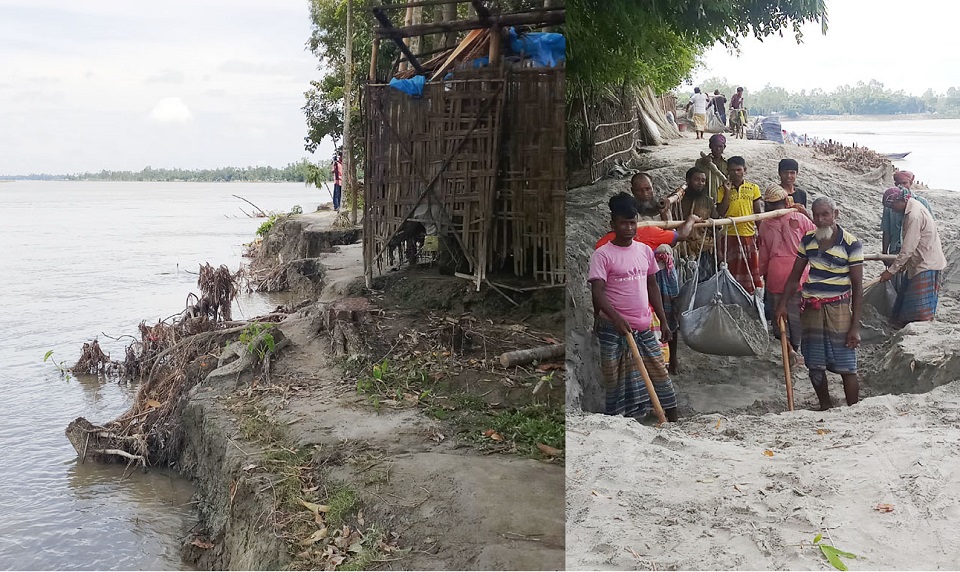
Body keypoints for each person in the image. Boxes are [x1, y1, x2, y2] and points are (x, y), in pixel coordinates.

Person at [594, 174, 700, 374]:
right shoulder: (635, 229)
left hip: (656, 274)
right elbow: (599, 289)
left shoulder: (652, 219)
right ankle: (652, 365)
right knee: (646, 324)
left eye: (648, 189)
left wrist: (667, 213)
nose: (645, 194)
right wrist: (691, 220)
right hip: (635, 284)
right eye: (640, 190)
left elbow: (673, 236)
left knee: (666, 317)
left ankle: (668, 361)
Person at [589, 193, 679, 422]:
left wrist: (663, 320)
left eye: (633, 223)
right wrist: (616, 319)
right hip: (614, 328)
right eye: (623, 223)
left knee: (659, 373)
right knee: (617, 379)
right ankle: (619, 423)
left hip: (644, 325)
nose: (629, 228)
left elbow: (652, 286)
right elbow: (598, 293)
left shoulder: (644, 251)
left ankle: (673, 419)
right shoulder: (602, 255)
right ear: (613, 225)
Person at [776, 197, 863, 411]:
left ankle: (854, 410)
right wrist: (782, 304)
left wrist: (855, 326)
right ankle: (825, 406)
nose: (821, 219)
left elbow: (858, 287)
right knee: (814, 363)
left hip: (839, 308)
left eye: (825, 214)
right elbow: (795, 275)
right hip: (812, 308)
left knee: (846, 365)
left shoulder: (851, 243)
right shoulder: (808, 240)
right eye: (816, 215)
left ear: (836, 214)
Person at [758, 186, 815, 365]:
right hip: (799, 273)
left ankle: (788, 348)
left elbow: (764, 256)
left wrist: (760, 274)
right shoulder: (799, 218)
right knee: (796, 316)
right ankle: (794, 350)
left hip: (776, 272)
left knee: (778, 316)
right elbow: (816, 238)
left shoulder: (765, 224)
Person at [879, 187, 947, 327]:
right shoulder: (912, 206)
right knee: (904, 300)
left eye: (892, 206)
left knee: (919, 308)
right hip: (917, 261)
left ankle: (917, 329)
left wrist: (890, 271)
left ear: (900, 200)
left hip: (927, 263)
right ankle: (900, 325)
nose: (893, 210)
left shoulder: (914, 215)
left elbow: (908, 249)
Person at [716, 156, 763, 294]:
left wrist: (761, 234)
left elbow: (758, 213)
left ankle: (751, 295)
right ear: (727, 171)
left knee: (751, 270)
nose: (735, 173)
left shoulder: (753, 188)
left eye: (738, 170)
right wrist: (727, 192)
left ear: (745, 170)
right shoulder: (722, 189)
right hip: (729, 235)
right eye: (732, 170)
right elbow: (721, 212)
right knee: (732, 269)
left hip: (748, 235)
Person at [679, 166, 719, 281]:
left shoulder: (708, 201)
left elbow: (716, 225)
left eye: (703, 180)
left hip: (704, 249)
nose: (700, 183)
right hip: (683, 250)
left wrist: (719, 250)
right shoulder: (678, 200)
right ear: (688, 180)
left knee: (705, 285)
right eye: (696, 180)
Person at [881, 174, 932, 255]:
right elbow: (886, 230)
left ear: (911, 183)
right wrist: (884, 252)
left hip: (916, 249)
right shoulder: (890, 205)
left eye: (904, 183)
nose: (902, 186)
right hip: (896, 248)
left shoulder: (921, 203)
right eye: (898, 184)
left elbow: (929, 229)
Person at [694, 133, 728, 203]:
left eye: (720, 146)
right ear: (710, 146)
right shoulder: (700, 162)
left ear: (724, 147)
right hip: (705, 199)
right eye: (715, 146)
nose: (718, 149)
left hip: (723, 199)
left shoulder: (727, 163)